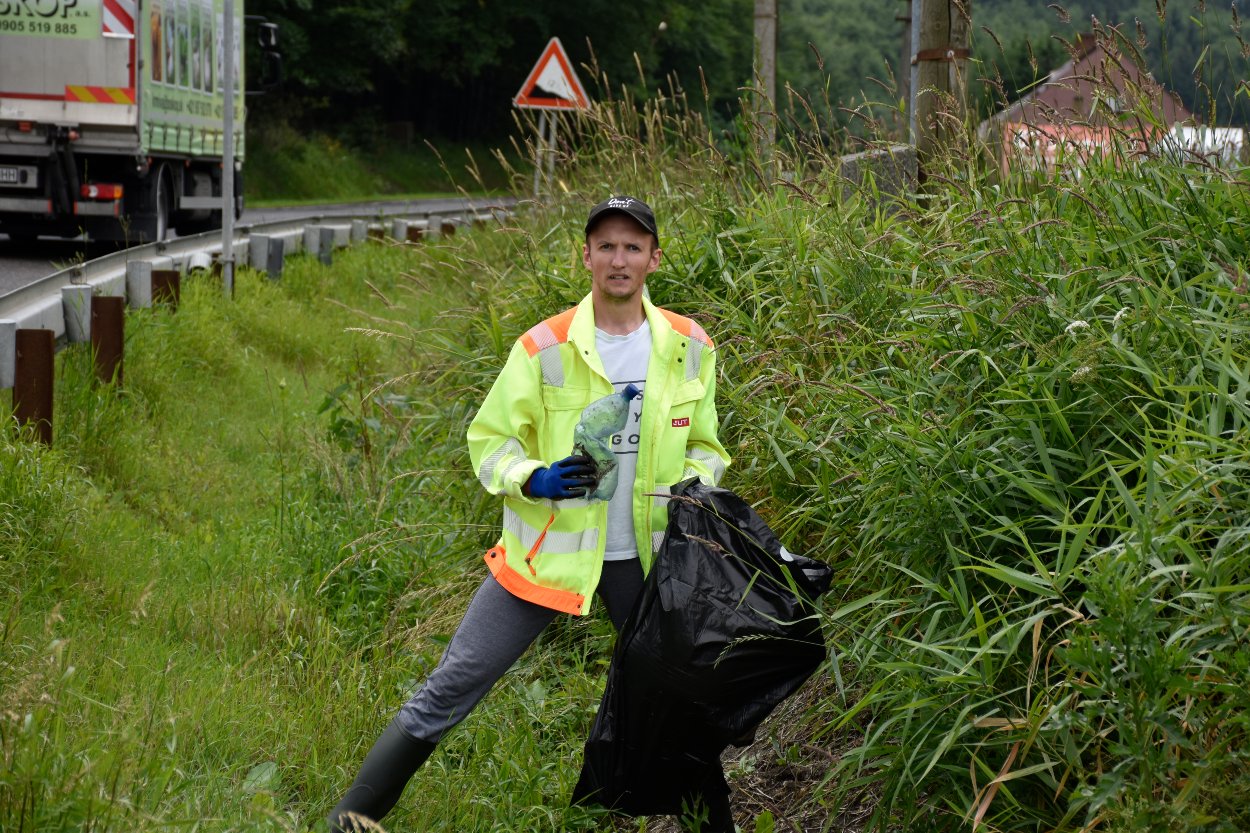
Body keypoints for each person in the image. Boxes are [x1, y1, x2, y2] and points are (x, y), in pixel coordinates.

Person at [325, 196, 732, 832]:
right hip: (547, 555)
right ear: (587, 255)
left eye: (632, 246)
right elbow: (489, 443)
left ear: (654, 258)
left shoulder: (689, 346)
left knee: (675, 705)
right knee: (454, 682)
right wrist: (533, 479)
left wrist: (693, 489)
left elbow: (707, 446)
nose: (618, 259)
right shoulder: (543, 346)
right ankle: (350, 819)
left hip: (649, 562)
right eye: (606, 245)